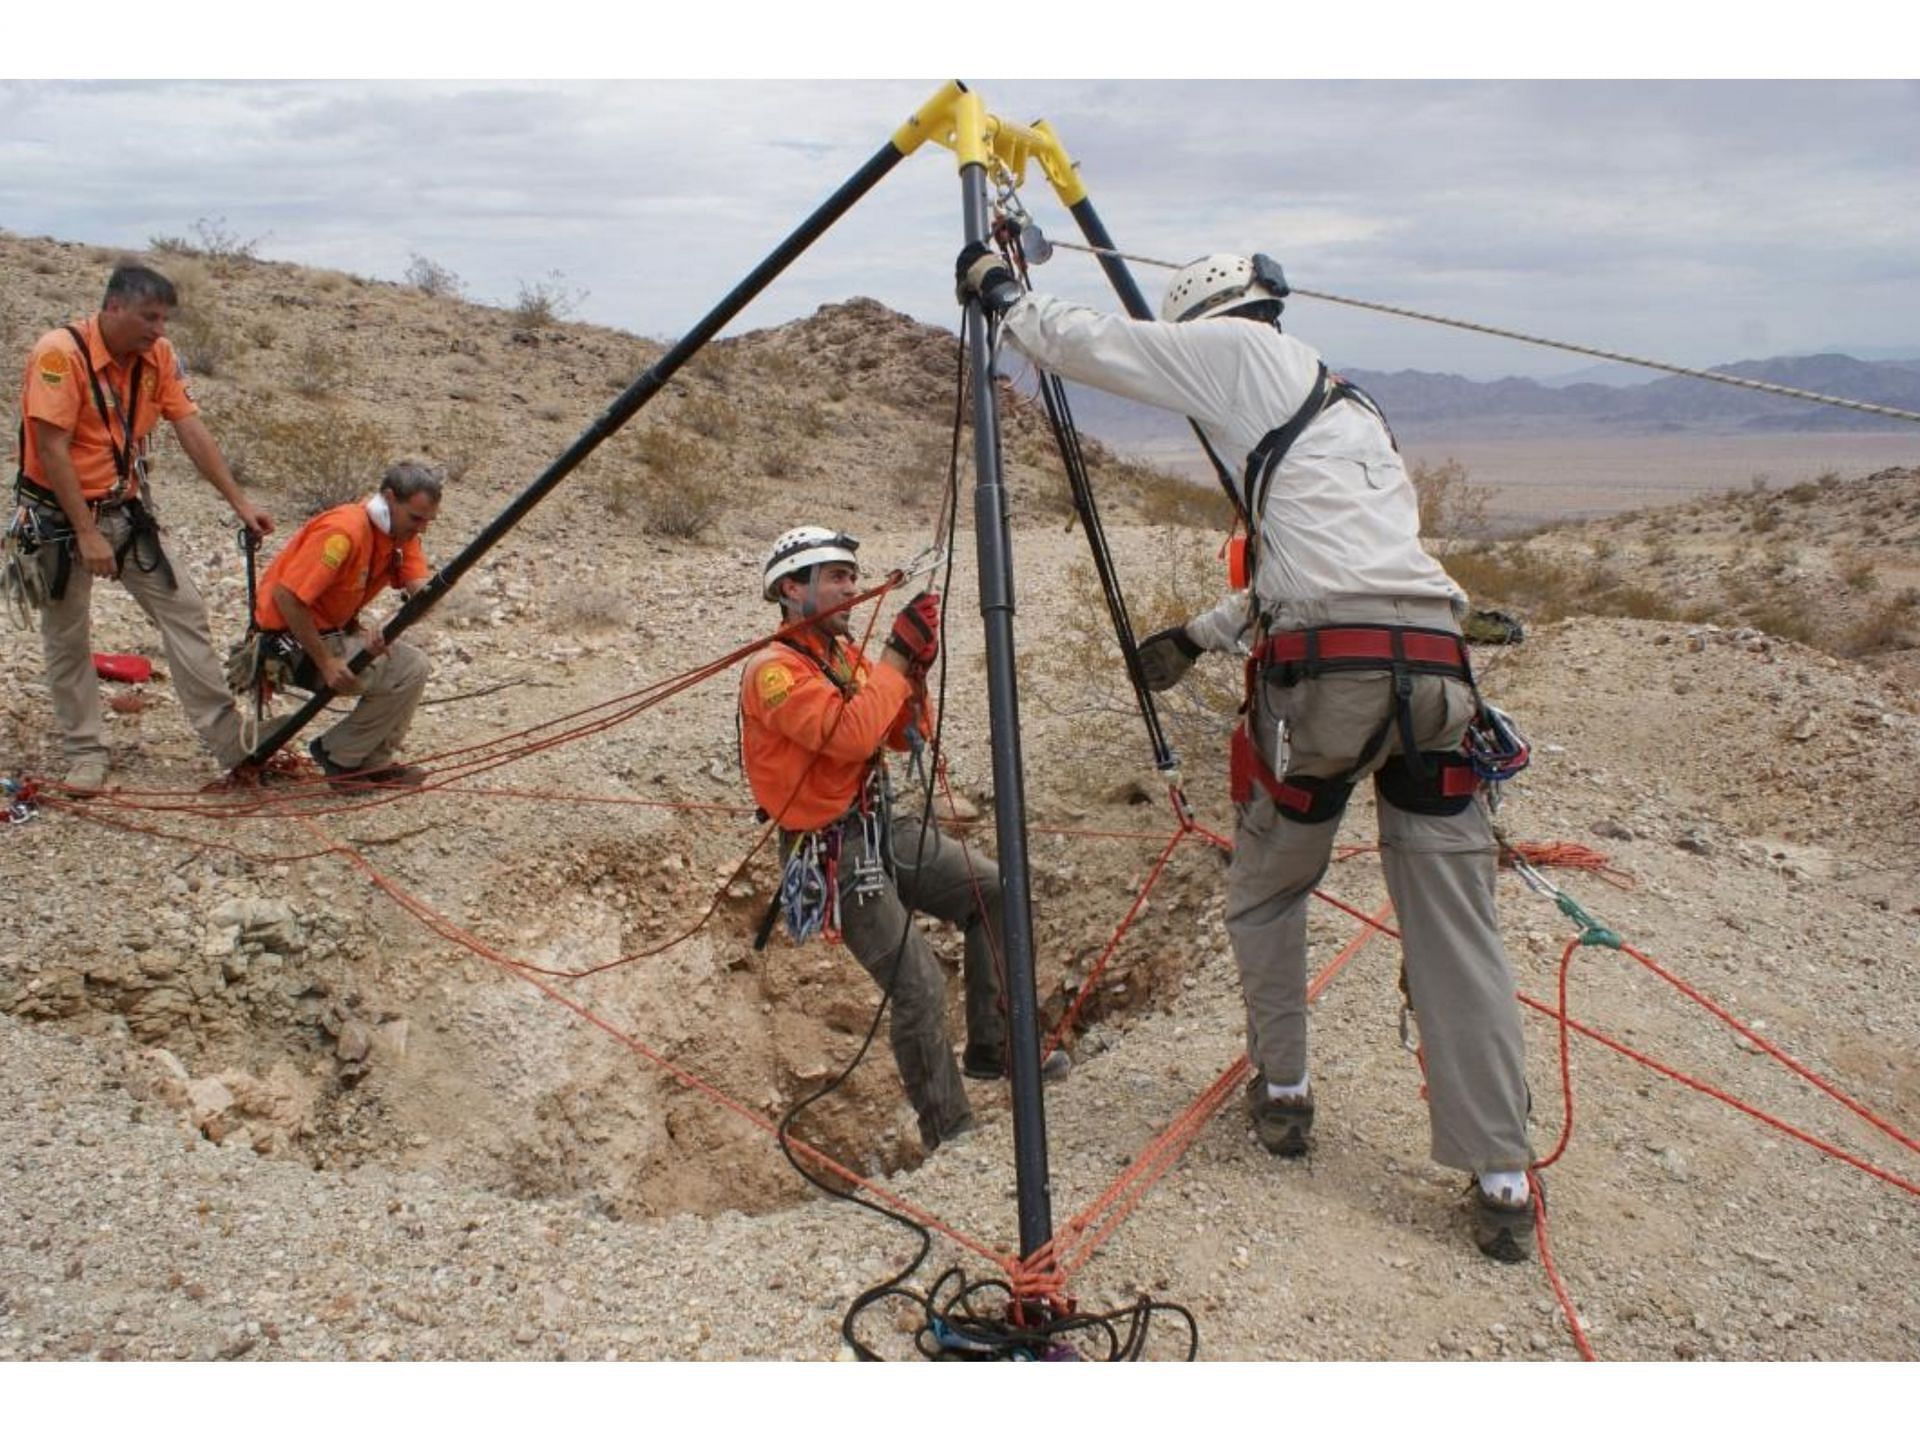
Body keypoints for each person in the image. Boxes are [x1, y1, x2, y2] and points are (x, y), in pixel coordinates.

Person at [959, 245, 1536, 1260]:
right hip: (1433, 675)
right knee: (1457, 930)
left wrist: (1008, 299)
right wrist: (1199, 633)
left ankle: (1283, 1094)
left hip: (1328, 687)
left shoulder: (1239, 356)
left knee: (1269, 889)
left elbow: (1102, 347)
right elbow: (1314, 571)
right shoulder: (1351, 414)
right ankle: (1500, 1175)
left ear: (1219, 317)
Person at [739, 526, 1064, 1153]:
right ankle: (949, 1130)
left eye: (850, 577)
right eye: (835, 578)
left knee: (993, 890)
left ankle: (997, 1047)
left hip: (879, 821)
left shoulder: (842, 659)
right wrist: (894, 655)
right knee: (917, 982)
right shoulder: (774, 673)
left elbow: (893, 734)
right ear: (789, 589)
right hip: (834, 849)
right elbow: (851, 735)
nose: (852, 589)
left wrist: (910, 672)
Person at [12, 262, 274, 791]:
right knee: (66, 635)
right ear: (113, 307)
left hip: (125, 512)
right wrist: (86, 532)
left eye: (164, 318)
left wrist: (238, 501)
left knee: (185, 612)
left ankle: (231, 741)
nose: (159, 328)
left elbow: (189, 428)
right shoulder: (59, 354)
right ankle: (84, 750)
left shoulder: (157, 358)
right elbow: (51, 447)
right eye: (149, 316)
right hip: (61, 518)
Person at [252, 462, 440, 789]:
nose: (421, 529)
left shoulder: (400, 533)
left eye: (428, 521)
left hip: (334, 634)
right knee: (389, 670)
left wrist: (388, 623)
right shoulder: (343, 532)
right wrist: (326, 662)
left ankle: (364, 761)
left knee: (413, 667)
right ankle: (341, 758)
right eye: (416, 518)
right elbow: (287, 596)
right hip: (288, 645)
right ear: (390, 498)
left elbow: (420, 589)